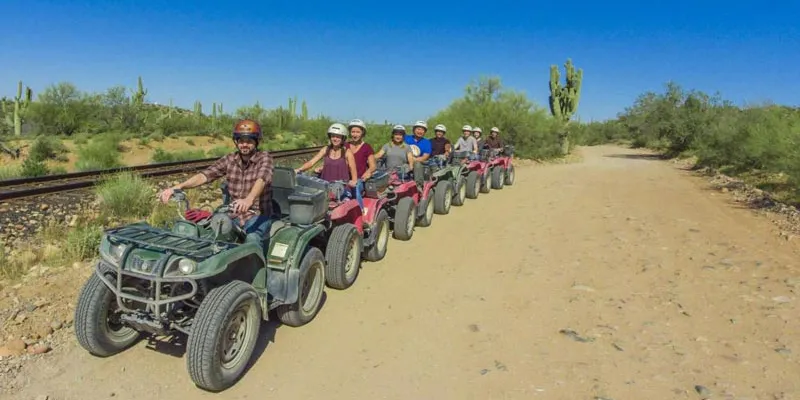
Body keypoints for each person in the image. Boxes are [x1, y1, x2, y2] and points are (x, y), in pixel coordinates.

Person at [157, 119, 274, 251]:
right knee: (206, 235)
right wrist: (178, 186)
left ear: (256, 142)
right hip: (233, 215)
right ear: (236, 141)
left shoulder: (264, 157)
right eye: (241, 141)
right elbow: (206, 175)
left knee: (252, 240)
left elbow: (263, 178)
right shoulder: (230, 159)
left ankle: (257, 270)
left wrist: (249, 199)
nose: (244, 144)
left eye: (249, 141)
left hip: (257, 215)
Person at [295, 123, 358, 188]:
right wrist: (299, 169)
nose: (335, 139)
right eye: (333, 136)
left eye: (338, 136)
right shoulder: (326, 149)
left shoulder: (347, 152)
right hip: (325, 186)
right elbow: (311, 162)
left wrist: (353, 182)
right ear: (330, 137)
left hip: (341, 188)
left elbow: (353, 171)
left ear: (343, 138)